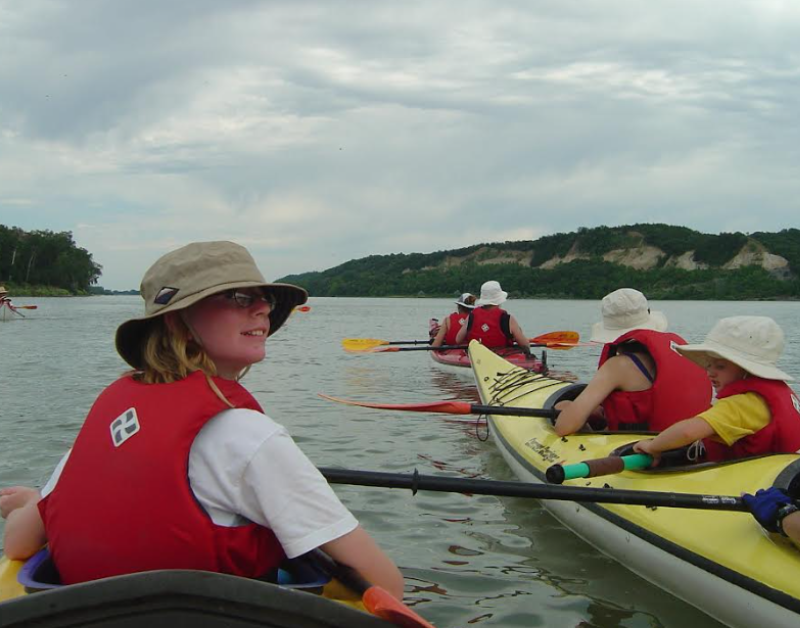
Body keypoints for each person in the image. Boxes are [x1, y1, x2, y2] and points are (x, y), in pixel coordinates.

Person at [2, 241, 404, 599]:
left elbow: (19, 543)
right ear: (178, 322)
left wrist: (37, 502)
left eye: (262, 298)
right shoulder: (249, 438)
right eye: (237, 297)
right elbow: (387, 584)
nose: (262, 307)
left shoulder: (115, 413)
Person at [632, 316, 800, 465]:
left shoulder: (743, 403)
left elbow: (688, 432)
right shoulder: (776, 393)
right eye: (709, 364)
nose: (710, 372)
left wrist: (653, 446)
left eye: (720, 366)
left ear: (747, 370)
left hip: (751, 487)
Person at [554, 288, 711, 436]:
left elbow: (564, 428)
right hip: (691, 442)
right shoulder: (681, 348)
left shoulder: (618, 366)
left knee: (563, 406)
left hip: (643, 449)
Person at [455, 280, 530, 354]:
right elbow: (525, 345)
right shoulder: (508, 319)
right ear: (499, 300)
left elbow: (458, 340)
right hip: (502, 356)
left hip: (477, 356)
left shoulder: (471, 316)